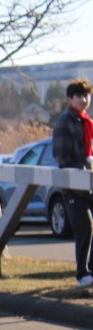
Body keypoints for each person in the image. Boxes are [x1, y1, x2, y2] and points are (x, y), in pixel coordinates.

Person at [52, 78, 93, 288]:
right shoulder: (64, 122)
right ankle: (82, 274)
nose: (84, 100)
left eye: (87, 96)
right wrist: (82, 167)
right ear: (70, 99)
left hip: (89, 183)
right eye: (79, 96)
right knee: (84, 227)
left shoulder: (88, 122)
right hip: (74, 186)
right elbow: (62, 157)